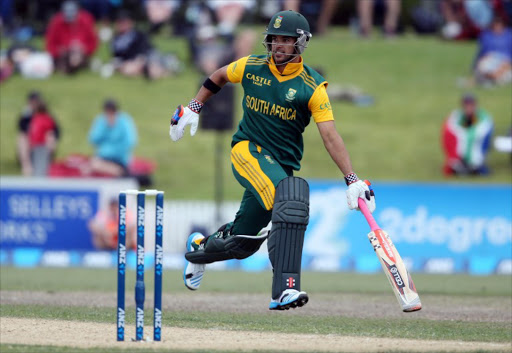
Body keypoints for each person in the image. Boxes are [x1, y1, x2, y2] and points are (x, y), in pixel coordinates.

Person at [170, 10, 376, 310]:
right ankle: (284, 289)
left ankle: (198, 250)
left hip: (279, 165)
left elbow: (330, 135)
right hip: (247, 150)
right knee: (289, 198)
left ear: (300, 43)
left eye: (286, 40)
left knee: (241, 244)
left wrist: (352, 179)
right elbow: (218, 76)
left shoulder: (312, 87)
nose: (279, 46)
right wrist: (192, 107)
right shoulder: (252, 66)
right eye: (275, 39)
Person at [109, 11, 178, 79]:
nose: (122, 24)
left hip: (147, 58)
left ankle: (166, 69)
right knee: (128, 69)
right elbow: (116, 57)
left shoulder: (139, 34)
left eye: (124, 22)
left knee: (153, 69)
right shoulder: (115, 39)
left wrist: (139, 61)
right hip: (129, 63)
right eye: (120, 22)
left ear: (130, 22)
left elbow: (146, 49)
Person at [442, 94, 494, 176]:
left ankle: (474, 164)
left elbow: (482, 131)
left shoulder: (481, 118)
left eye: (471, 105)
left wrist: (467, 135)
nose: (469, 108)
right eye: (466, 105)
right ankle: (459, 164)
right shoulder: (458, 117)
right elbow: (451, 130)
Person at [87, 99, 137, 177]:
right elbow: (93, 139)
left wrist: (111, 151)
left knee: (96, 165)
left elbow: (130, 142)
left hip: (120, 158)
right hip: (103, 156)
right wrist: (106, 128)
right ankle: (120, 173)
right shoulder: (101, 120)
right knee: (91, 165)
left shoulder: (124, 121)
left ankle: (121, 173)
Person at [45, 0, 98, 74]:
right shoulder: (56, 22)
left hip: (81, 54)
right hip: (62, 55)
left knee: (76, 57)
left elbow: (93, 42)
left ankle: (74, 65)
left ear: (78, 13)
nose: (70, 22)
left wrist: (83, 48)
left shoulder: (87, 20)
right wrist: (59, 50)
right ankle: (66, 66)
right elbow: (50, 45)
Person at [16, 91, 60, 176]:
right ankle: (27, 166)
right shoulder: (27, 115)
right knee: (22, 138)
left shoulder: (46, 118)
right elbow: (22, 128)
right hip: (32, 144)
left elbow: (55, 131)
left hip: (42, 145)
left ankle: (46, 166)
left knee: (50, 139)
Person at [474, 15, 512, 86]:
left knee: (506, 72)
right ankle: (489, 78)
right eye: (496, 25)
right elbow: (482, 53)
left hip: (506, 61)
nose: (497, 28)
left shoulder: (509, 36)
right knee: (482, 66)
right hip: (491, 59)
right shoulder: (487, 36)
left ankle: (490, 79)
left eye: (499, 25)